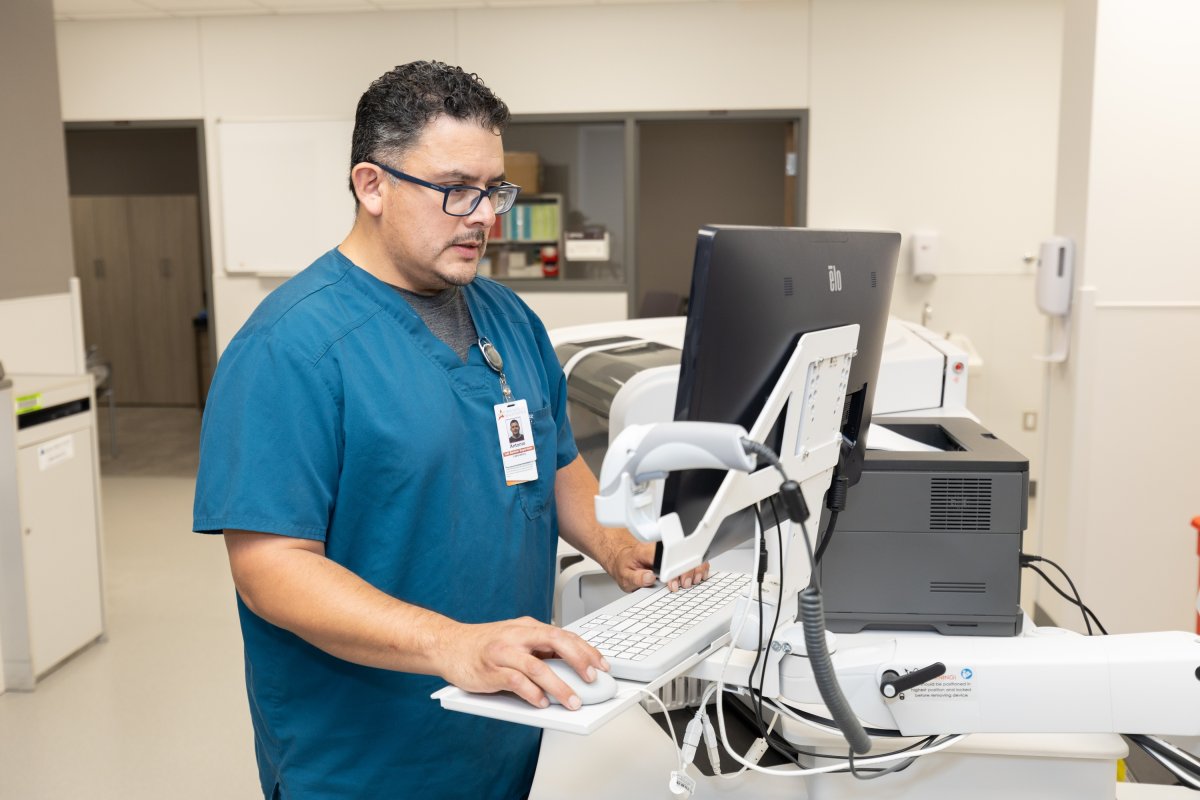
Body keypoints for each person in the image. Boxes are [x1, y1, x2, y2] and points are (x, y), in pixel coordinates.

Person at [192, 61, 708, 800]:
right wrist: (450, 643)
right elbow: (270, 566)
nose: (483, 216)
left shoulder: (508, 319)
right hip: (366, 755)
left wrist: (619, 545)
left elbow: (554, 464)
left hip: (506, 722)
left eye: (494, 190)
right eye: (455, 190)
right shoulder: (292, 348)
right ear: (372, 185)